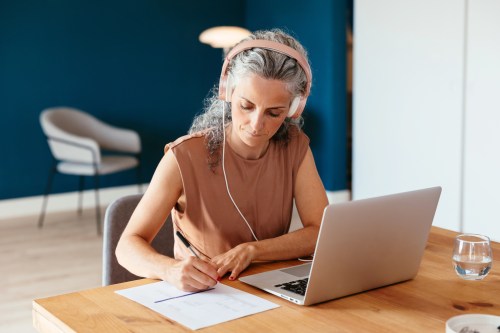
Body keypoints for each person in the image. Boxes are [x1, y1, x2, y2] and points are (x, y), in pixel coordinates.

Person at [116, 28, 329, 292]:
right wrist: (169, 269)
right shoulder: (183, 157)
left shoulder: (295, 147)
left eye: (274, 113)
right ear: (227, 91)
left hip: (271, 288)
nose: (257, 124)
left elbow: (320, 230)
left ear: (294, 108)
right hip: (206, 293)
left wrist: (253, 251)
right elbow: (127, 246)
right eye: (246, 106)